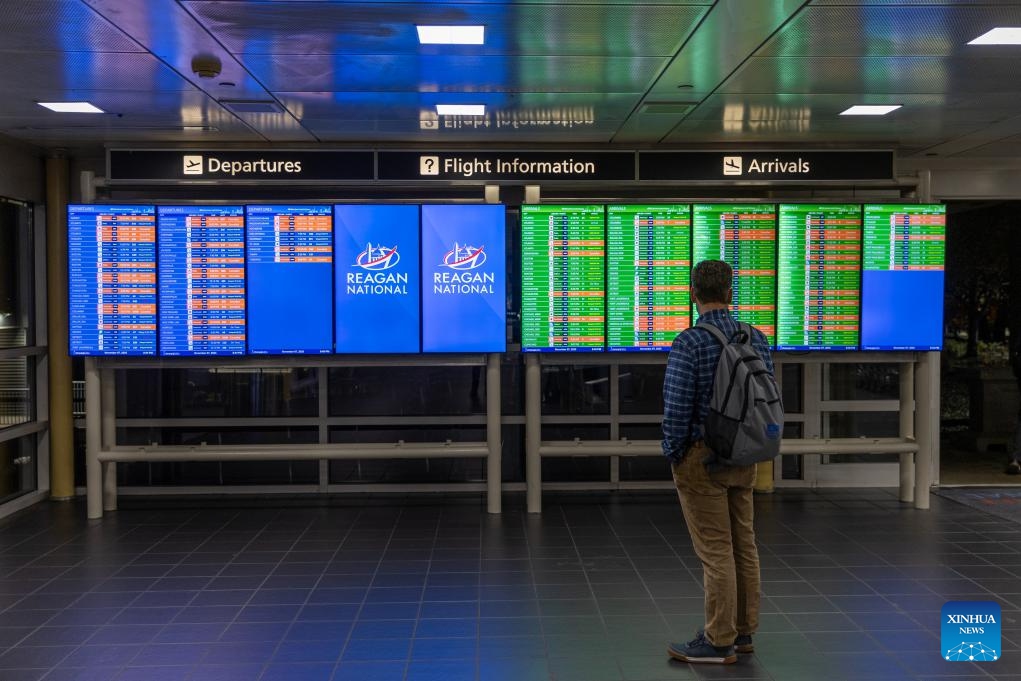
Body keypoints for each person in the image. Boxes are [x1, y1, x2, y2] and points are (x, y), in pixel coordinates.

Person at [662, 259, 774, 665]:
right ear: (729, 293)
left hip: (701, 458)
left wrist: (675, 453)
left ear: (694, 295)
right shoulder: (756, 337)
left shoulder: (689, 342)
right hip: (745, 455)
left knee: (715, 550)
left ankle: (718, 640)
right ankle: (744, 632)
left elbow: (676, 409)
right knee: (744, 544)